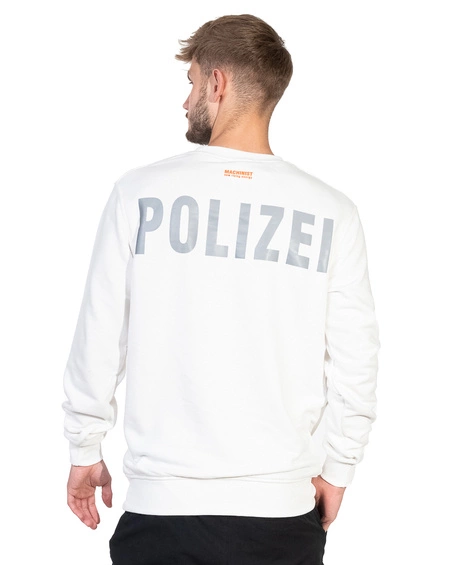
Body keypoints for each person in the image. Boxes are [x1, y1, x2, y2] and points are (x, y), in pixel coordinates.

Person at [63, 14, 379, 565]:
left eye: (190, 83)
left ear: (217, 82)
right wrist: (338, 469)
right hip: (282, 516)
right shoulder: (333, 212)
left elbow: (101, 334)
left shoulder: (139, 193)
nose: (185, 102)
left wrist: (85, 446)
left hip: (162, 513)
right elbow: (357, 361)